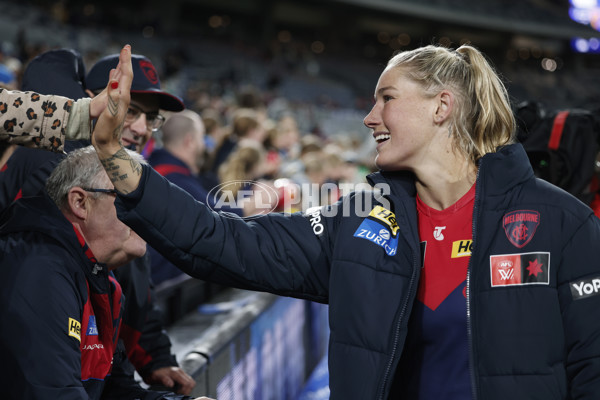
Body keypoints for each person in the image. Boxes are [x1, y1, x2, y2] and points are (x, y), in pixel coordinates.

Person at [93, 43, 600, 399]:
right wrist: (116, 157)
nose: (369, 117)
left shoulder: (562, 224)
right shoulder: (358, 223)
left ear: (442, 107)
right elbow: (220, 240)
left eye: (387, 98)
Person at [0, 47, 196, 395]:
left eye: (150, 118)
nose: (140, 128)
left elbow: (124, 286)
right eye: (131, 110)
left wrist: (154, 356)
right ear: (94, 101)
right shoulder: (56, 169)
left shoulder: (118, 180)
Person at [147, 109, 212, 285]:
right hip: (160, 286)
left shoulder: (156, 168)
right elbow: (216, 216)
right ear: (190, 141)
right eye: (201, 137)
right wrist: (251, 204)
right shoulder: (171, 177)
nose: (204, 145)